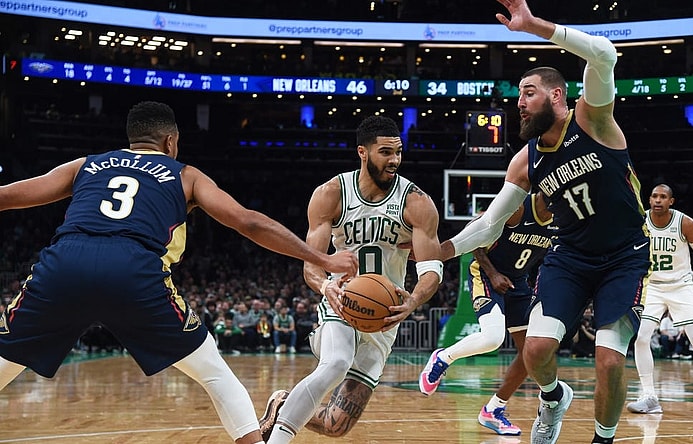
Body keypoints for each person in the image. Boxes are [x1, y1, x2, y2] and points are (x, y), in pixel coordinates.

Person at [0, 101, 358, 444]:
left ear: (131, 138)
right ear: (171, 141)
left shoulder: (86, 165)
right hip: (133, 270)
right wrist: (324, 260)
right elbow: (248, 221)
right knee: (212, 371)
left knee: (5, 359)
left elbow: (7, 197)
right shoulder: (185, 174)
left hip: (64, 266)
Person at [438, 2, 652, 442]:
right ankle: (554, 401)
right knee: (535, 351)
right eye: (519, 95)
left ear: (556, 95)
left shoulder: (592, 120)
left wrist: (537, 27)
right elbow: (489, 225)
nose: (519, 103)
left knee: (609, 359)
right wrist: (439, 251)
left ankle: (603, 439)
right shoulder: (525, 161)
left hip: (625, 258)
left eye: (528, 92)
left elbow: (606, 54)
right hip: (570, 258)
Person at [260, 115, 443, 443]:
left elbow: (432, 268)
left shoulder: (417, 202)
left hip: (385, 316)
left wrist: (414, 299)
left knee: (336, 425)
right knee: (336, 362)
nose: (395, 160)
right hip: (344, 299)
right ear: (363, 152)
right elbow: (311, 264)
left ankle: (284, 403)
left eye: (398, 153)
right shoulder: (332, 194)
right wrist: (326, 285)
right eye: (386, 152)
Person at [419, 193, 553, 437]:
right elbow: (477, 230)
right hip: (486, 274)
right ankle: (443, 357)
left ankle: (493, 410)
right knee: (493, 338)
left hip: (519, 283)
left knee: (531, 354)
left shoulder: (561, 220)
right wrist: (492, 274)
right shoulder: (520, 208)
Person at [628, 184, 693, 415]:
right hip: (652, 286)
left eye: (663, 197)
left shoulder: (685, 223)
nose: (658, 200)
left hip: (681, 285)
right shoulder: (639, 221)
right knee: (642, 337)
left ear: (671, 201)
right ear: (649, 199)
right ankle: (649, 396)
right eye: (654, 196)